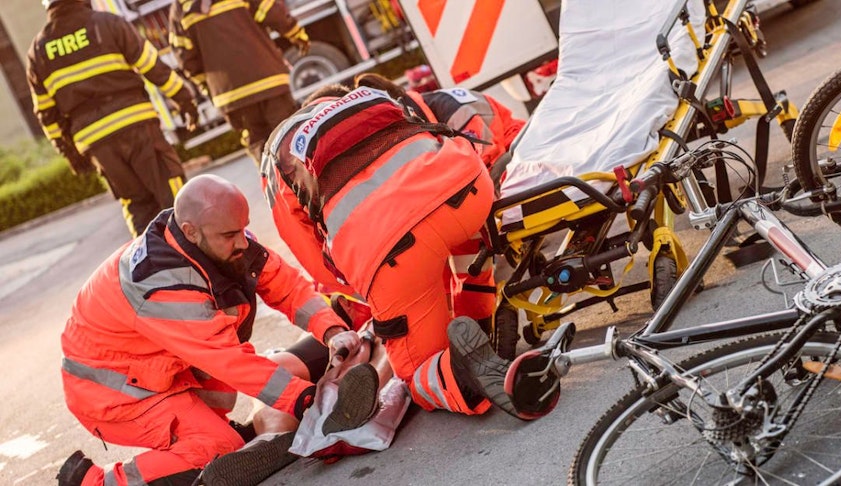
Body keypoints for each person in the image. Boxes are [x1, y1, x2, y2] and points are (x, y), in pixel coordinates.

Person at [55, 174, 381, 486]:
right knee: (219, 448)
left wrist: (330, 329)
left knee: (254, 386)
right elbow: (230, 360)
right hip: (116, 394)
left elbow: (286, 285)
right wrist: (305, 400)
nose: (242, 242)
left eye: (243, 229)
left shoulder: (213, 236)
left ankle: (209, 432)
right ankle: (96, 481)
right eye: (229, 235)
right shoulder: (162, 285)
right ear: (191, 231)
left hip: (160, 369)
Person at [265, 85, 560, 421]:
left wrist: (376, 296)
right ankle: (481, 323)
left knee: (416, 371)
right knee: (468, 263)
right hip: (469, 190)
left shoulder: (279, 154)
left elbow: (315, 260)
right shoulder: (368, 98)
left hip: (391, 246)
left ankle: (459, 376)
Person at [352, 73, 526, 329]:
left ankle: (474, 324)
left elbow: (484, 160)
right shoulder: (422, 119)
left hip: (514, 153)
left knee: (466, 247)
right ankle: (459, 323)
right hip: (479, 169)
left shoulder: (453, 109)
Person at [26, 0, 200, 237]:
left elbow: (46, 113)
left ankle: (147, 257)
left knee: (136, 204)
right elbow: (152, 66)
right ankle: (194, 252)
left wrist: (70, 153)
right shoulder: (108, 24)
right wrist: (184, 99)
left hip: (96, 143)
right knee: (173, 194)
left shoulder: (38, 51)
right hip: (137, 125)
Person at [168, 0, 309, 165]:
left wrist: (207, 86)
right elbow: (271, 12)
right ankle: (306, 177)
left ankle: (274, 179)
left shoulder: (180, 8)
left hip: (230, 96)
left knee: (260, 147)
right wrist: (296, 34)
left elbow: (185, 58)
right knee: (290, 137)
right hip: (268, 80)